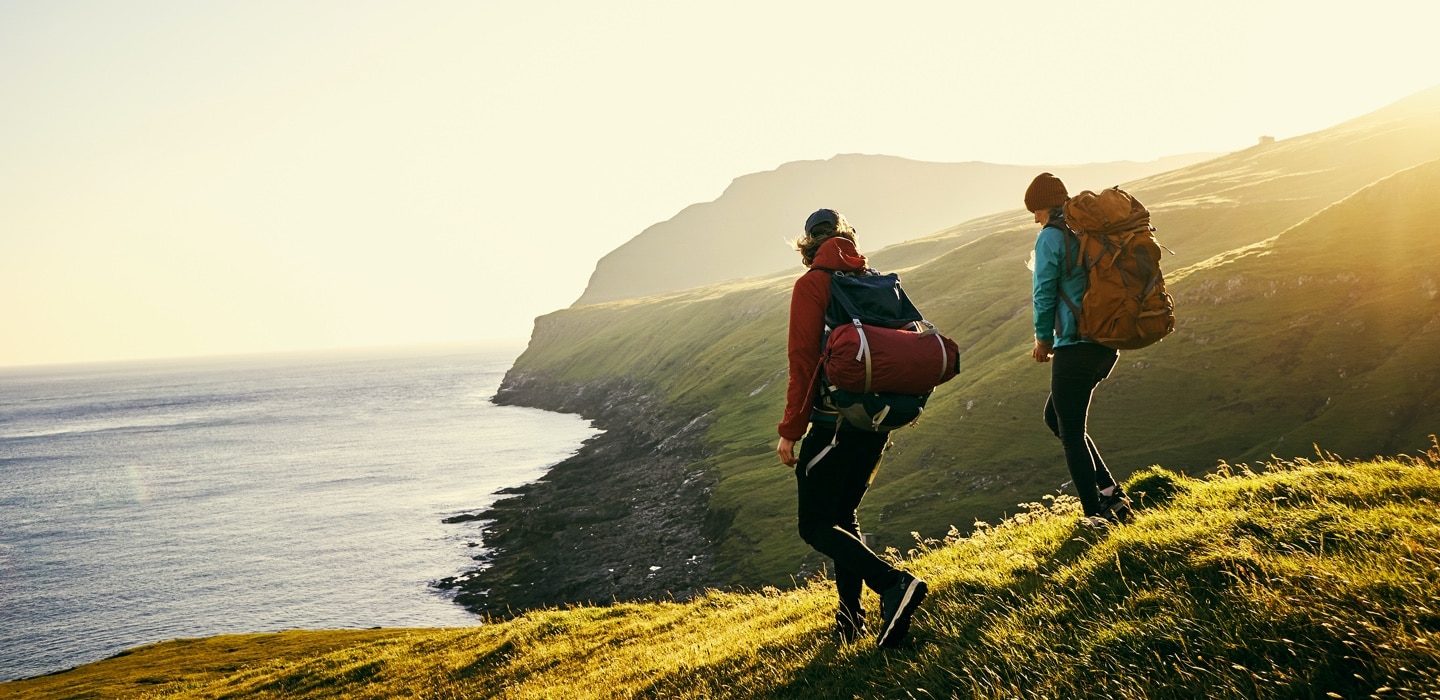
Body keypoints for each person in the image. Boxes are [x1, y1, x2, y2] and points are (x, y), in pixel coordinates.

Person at [776, 208, 927, 647]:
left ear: (808, 246)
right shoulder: (878, 280)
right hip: (878, 420)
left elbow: (803, 363)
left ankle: (894, 584)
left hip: (833, 423)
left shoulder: (812, 284)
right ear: (848, 239)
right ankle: (850, 620)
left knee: (815, 524)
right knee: (843, 516)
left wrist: (791, 430)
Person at [1026, 173, 1132, 528]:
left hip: (1077, 346)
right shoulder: (1085, 233)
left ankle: (1095, 515)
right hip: (1106, 344)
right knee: (1056, 418)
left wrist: (1043, 339)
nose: (1035, 218)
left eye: (1035, 211)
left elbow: (1043, 293)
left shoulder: (1051, 239)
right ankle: (1110, 495)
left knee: (1070, 430)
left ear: (1043, 206)